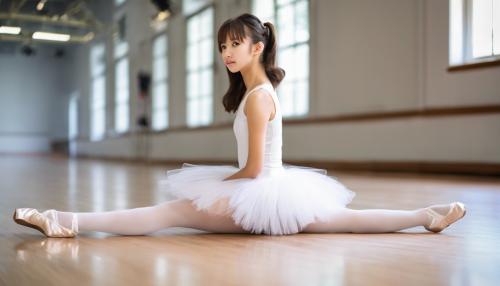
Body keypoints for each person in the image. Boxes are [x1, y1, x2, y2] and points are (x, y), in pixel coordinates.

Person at [13, 13, 466, 238]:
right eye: (222, 46)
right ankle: (427, 216)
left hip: (262, 191)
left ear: (257, 46)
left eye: (235, 44)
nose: (227, 53)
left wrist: (213, 188)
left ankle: (63, 220)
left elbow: (250, 171)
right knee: (343, 220)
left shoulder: (258, 98)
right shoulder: (258, 91)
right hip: (275, 191)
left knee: (168, 213)